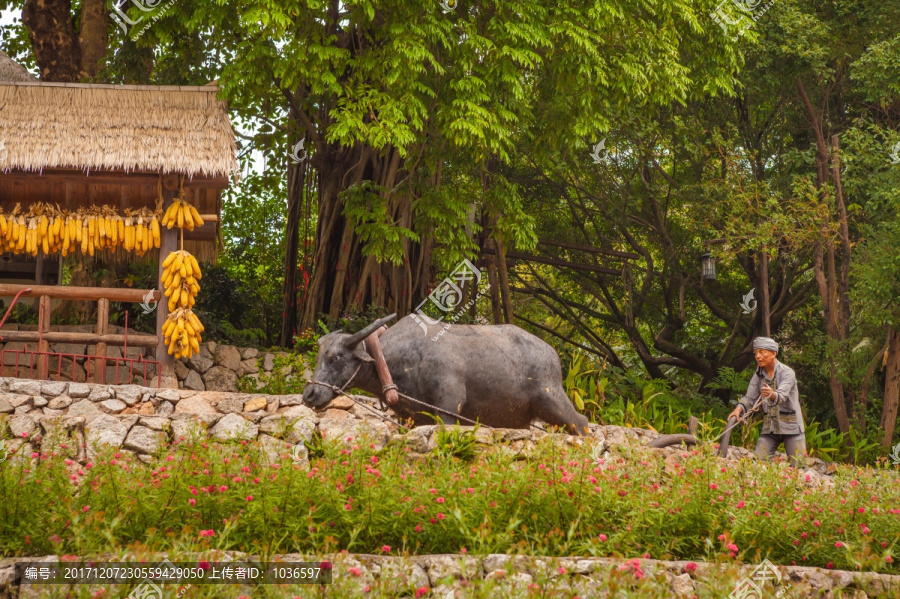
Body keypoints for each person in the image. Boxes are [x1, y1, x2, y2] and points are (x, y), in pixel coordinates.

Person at [728, 337, 807, 468]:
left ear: (774, 353)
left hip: (791, 427)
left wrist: (771, 394)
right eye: (756, 353)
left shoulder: (787, 373)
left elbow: (780, 396)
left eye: (762, 352)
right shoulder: (758, 375)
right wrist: (738, 410)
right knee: (757, 464)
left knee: (798, 468)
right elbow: (749, 398)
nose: (758, 356)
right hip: (770, 427)